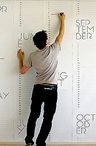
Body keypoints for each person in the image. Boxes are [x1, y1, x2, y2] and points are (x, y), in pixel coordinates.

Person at [17, 12, 65, 146]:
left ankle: (28, 141)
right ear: (46, 41)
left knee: (34, 115)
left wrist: (20, 58)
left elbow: (22, 71)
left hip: (38, 89)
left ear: (35, 44)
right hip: (51, 89)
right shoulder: (53, 49)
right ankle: (40, 142)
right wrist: (62, 19)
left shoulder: (32, 56)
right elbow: (60, 34)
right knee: (47, 118)